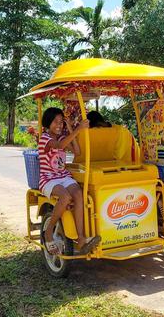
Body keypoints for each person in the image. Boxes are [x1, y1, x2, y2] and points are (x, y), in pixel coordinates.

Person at [39, 107, 101, 255]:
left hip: (62, 175)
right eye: (56, 122)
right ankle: (48, 232)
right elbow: (59, 146)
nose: (59, 125)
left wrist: (70, 127)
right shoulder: (45, 139)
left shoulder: (61, 137)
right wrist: (78, 129)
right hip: (48, 178)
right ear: (48, 123)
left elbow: (77, 151)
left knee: (79, 194)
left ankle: (80, 238)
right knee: (66, 197)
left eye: (61, 122)